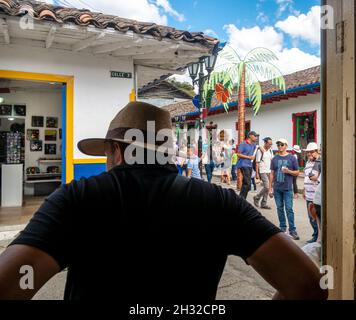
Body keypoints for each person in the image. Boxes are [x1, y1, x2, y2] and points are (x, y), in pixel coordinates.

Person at [0, 102, 327, 301]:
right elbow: (309, 286)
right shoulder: (219, 203)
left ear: (116, 150)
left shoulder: (78, 198)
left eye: (105, 152)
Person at [269, 138, 300, 241]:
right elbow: (272, 173)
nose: (280, 147)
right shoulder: (274, 159)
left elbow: (297, 172)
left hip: (287, 188)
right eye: (278, 145)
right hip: (277, 188)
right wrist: (270, 188)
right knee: (279, 208)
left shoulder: (292, 158)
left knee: (289, 209)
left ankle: (292, 230)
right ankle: (282, 228)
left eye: (282, 145)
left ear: (286, 146)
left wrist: (288, 171)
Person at [303, 142, 320, 243]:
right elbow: (306, 177)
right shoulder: (308, 162)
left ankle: (318, 237)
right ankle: (315, 234)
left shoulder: (318, 162)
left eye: (311, 152)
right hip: (308, 194)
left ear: (316, 151)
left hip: (316, 195)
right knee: (311, 218)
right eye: (308, 152)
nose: (309, 154)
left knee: (317, 217)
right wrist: (304, 190)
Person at [253, 137, 274, 209]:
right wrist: (257, 173)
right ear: (265, 143)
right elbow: (257, 163)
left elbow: (272, 160)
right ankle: (257, 197)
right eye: (269, 144)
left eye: (271, 144)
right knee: (267, 186)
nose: (270, 145)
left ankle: (263, 203)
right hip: (262, 171)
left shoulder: (271, 150)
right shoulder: (260, 151)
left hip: (269, 171)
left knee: (268, 188)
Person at [237, 131, 258, 199]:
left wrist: (261, 148)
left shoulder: (253, 144)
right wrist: (249, 157)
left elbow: (258, 147)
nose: (256, 137)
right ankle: (241, 199)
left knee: (245, 184)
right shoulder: (243, 144)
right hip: (243, 164)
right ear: (250, 136)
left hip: (249, 165)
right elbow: (238, 154)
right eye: (255, 136)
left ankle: (241, 199)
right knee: (248, 184)